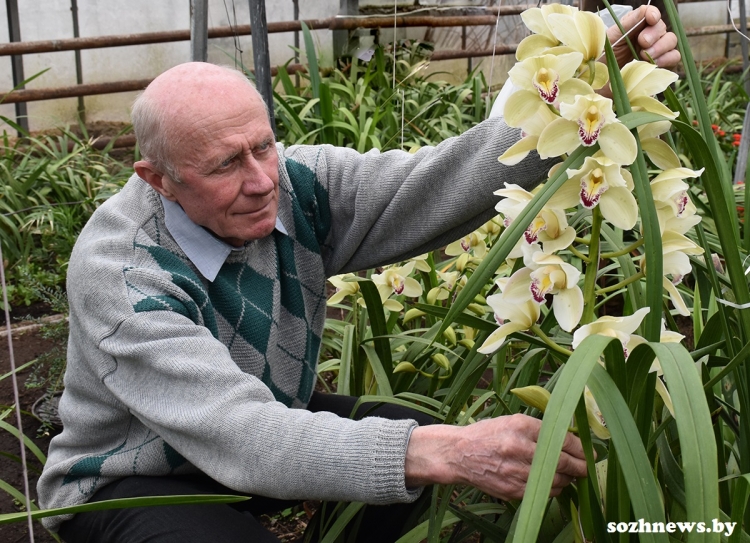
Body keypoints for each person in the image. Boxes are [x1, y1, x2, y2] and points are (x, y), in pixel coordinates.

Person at [37, 6, 679, 542]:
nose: (262, 182)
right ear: (158, 180)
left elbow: (436, 182)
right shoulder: (121, 271)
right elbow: (242, 434)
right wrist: (448, 450)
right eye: (225, 165)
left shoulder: (298, 185)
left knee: (416, 465)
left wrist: (586, 81)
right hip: (137, 476)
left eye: (263, 145)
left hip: (268, 421)